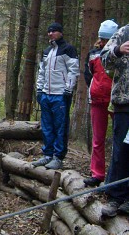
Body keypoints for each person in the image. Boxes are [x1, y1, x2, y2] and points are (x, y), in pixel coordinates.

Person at [32, 22, 80, 170]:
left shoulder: (68, 49)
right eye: (49, 31)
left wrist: (68, 89)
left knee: (60, 126)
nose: (51, 34)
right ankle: (47, 154)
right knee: (47, 126)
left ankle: (58, 157)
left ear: (60, 32)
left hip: (60, 94)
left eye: (54, 31)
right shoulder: (47, 51)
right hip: (46, 94)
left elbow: (74, 70)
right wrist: (39, 90)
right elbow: (42, 72)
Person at [83, 20, 119, 187]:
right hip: (97, 100)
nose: (105, 42)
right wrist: (95, 88)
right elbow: (88, 74)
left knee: (120, 140)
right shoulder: (93, 54)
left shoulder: (120, 53)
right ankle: (97, 173)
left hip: (117, 101)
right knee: (98, 139)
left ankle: (116, 176)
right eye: (103, 39)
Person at [100, 23, 129, 218]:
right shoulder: (124, 32)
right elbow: (103, 59)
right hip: (124, 104)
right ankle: (116, 197)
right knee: (121, 151)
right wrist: (118, 50)